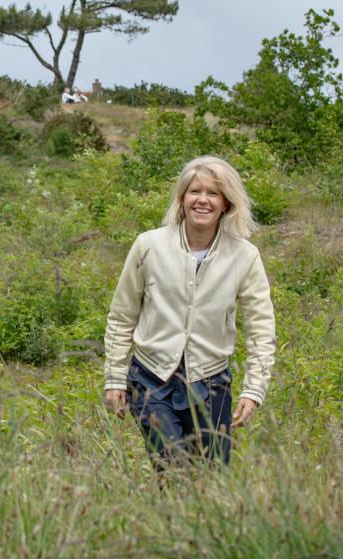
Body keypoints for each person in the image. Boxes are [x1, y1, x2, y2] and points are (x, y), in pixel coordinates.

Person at [103, 155, 276, 466]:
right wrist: (115, 377)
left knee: (212, 476)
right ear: (181, 198)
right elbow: (122, 314)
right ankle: (167, 513)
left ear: (226, 203)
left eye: (213, 193)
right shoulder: (148, 246)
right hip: (151, 378)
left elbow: (261, 329)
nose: (203, 200)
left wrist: (254, 388)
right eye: (195, 191)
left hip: (210, 382)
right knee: (172, 466)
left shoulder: (245, 257)